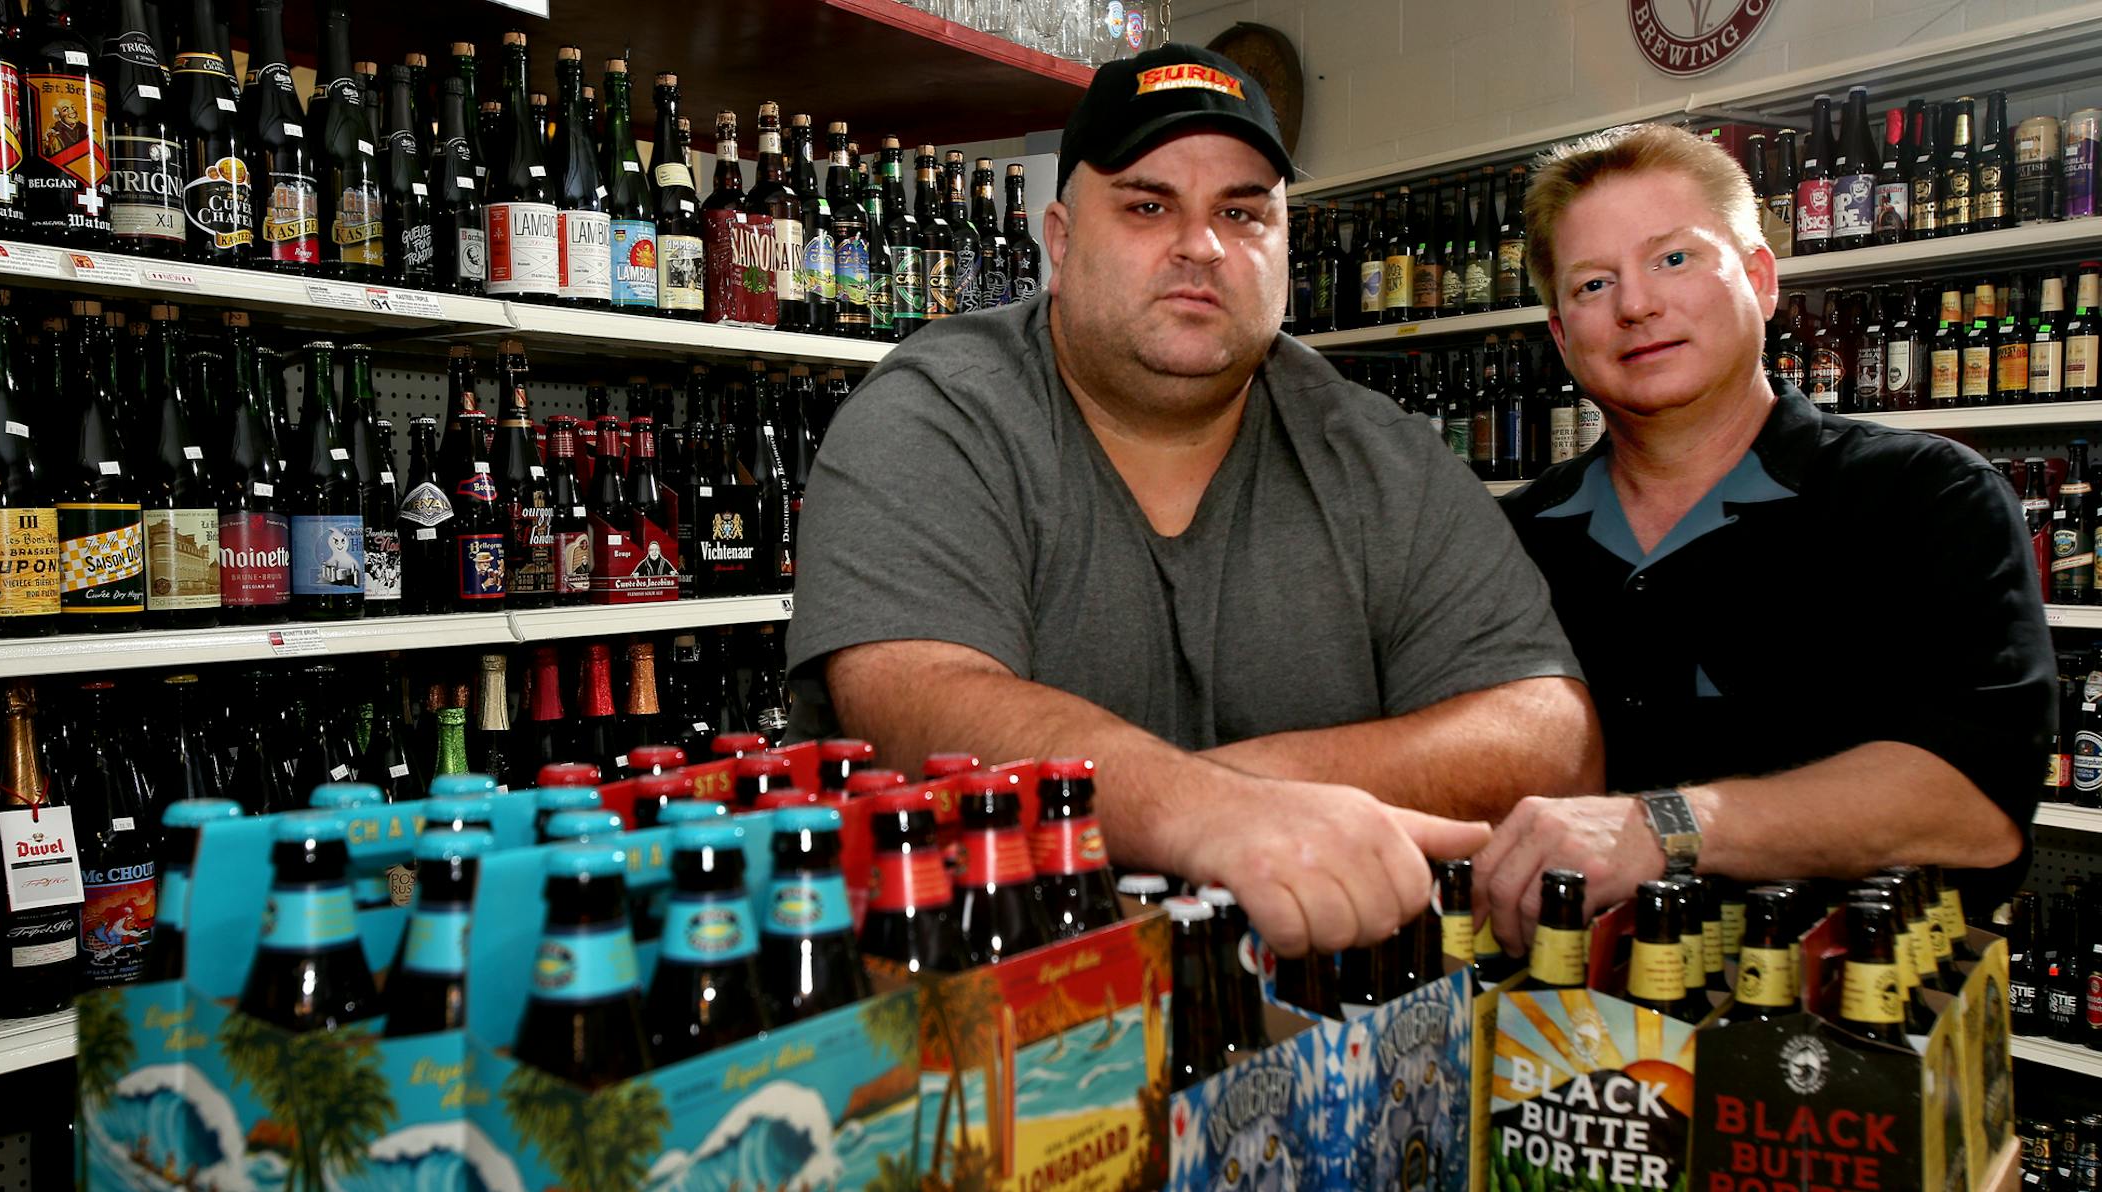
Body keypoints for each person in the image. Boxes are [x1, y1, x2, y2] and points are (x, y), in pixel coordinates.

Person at [787, 44, 1602, 957]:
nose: (1201, 245)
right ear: (1059, 241)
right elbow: (915, 703)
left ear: (1285, 245)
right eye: (1148, 204)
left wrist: (1236, 788)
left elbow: (1551, 737)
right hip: (988, 1019)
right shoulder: (936, 415)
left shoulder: (1379, 453)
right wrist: (1200, 811)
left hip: (1322, 1022)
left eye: (1242, 212)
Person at [1478, 123, 2054, 952]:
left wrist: (1665, 825)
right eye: (1593, 283)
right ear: (1564, 336)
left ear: (1760, 279)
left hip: (1843, 1038)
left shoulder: (1925, 497)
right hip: (1565, 1039)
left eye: (1674, 259)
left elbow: (1972, 807)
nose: (1636, 306)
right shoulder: (1509, 541)